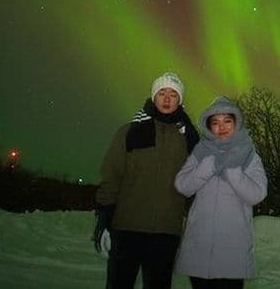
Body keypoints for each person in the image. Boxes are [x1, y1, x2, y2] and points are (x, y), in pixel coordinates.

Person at [94, 72, 199, 289]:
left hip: (165, 233)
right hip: (126, 229)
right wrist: (104, 217)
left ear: (180, 100)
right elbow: (112, 175)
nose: (167, 98)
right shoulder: (129, 132)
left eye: (173, 94)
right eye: (162, 93)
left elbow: (198, 182)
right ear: (153, 97)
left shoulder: (188, 139)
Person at [174, 96, 268, 288]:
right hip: (199, 245)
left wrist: (232, 171)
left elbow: (257, 194)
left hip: (232, 248)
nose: (222, 126)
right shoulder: (201, 152)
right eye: (215, 122)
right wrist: (207, 167)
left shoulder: (249, 154)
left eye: (227, 121)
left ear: (236, 123)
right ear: (209, 127)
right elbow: (182, 185)